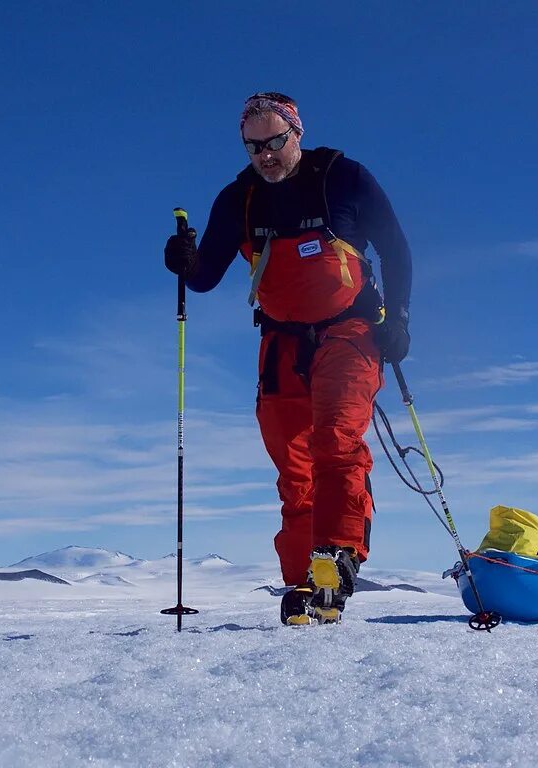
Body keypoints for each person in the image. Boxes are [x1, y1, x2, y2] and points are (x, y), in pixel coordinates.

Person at [164, 92, 412, 625]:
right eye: (254, 147)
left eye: (275, 141)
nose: (266, 155)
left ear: (296, 132)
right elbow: (205, 276)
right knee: (291, 463)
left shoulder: (341, 178)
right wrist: (183, 262)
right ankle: (306, 581)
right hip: (281, 340)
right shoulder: (240, 198)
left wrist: (399, 318)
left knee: (336, 439)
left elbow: (395, 247)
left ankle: (340, 555)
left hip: (349, 328)